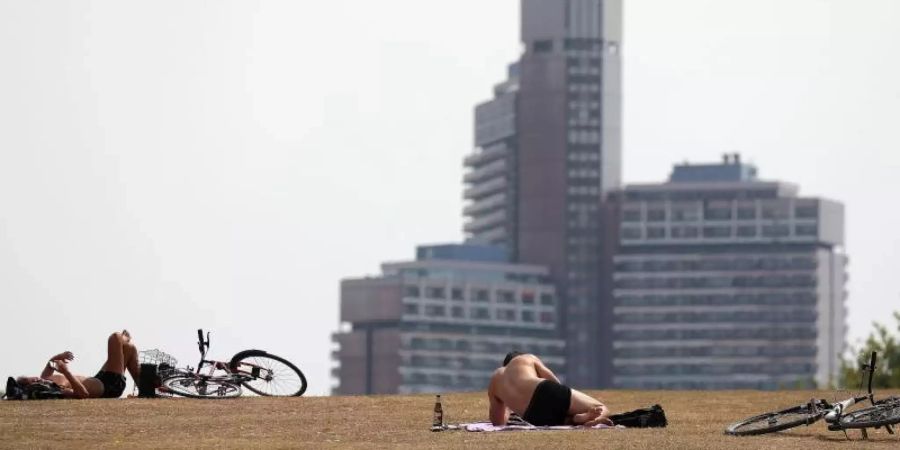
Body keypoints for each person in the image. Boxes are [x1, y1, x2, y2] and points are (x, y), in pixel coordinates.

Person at [487, 351, 612, 427]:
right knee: (600, 406)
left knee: (560, 418)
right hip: (544, 389)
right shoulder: (526, 358)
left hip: (531, 415)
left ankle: (578, 419)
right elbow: (554, 382)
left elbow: (498, 422)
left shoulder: (495, 380)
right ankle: (596, 418)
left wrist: (510, 407)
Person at [16, 330, 140, 399]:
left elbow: (50, 364)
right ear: (32, 387)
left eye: (33, 377)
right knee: (115, 338)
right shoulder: (54, 390)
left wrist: (60, 356)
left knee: (129, 349)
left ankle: (144, 389)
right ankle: (124, 337)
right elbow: (83, 394)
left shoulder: (45, 379)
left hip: (98, 378)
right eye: (33, 381)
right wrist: (66, 372)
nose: (37, 379)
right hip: (109, 386)